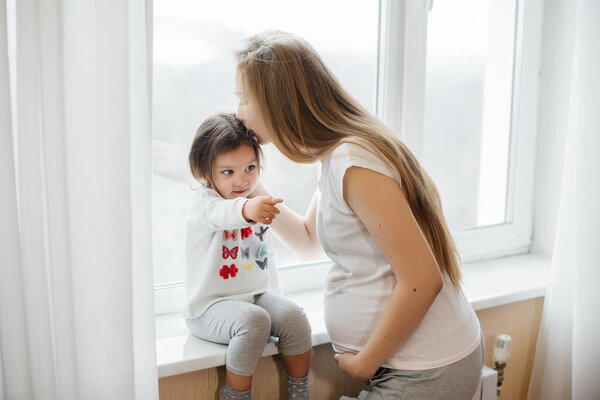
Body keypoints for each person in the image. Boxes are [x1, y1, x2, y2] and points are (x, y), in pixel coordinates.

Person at [234, 31, 483, 399]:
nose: (238, 112)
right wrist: (244, 183)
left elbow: (422, 279)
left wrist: (366, 362)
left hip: (427, 369)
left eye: (243, 99)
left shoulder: (353, 161)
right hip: (411, 366)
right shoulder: (335, 156)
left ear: (276, 104)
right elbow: (306, 240)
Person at [183, 113, 312, 400]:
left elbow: (266, 260)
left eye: (250, 168)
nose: (242, 180)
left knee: (294, 318)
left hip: (252, 297)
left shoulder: (255, 203)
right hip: (208, 308)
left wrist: (276, 300)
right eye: (228, 172)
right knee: (254, 321)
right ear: (207, 173)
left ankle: (299, 393)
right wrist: (247, 210)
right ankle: (235, 397)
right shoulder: (205, 205)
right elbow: (225, 214)